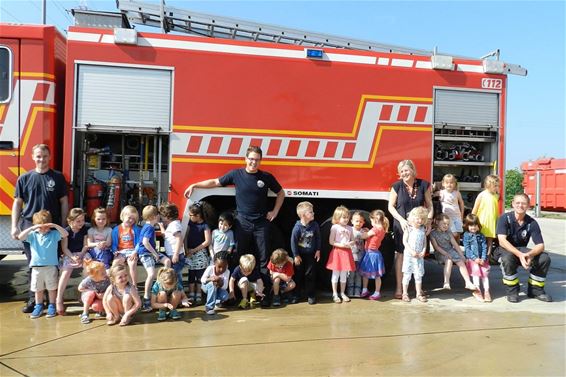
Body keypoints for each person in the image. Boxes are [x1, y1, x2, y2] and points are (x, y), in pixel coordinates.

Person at [184, 146, 285, 275]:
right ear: (246, 159)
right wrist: (195, 185)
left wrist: (275, 211)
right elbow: (215, 182)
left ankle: (263, 290)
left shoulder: (266, 177)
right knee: (237, 255)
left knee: (263, 257)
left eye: (257, 160)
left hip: (261, 223)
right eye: (251, 159)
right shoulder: (236, 174)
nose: (254, 162)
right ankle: (235, 290)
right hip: (242, 222)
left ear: (260, 161)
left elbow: (281, 193)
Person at [11, 143, 69, 313]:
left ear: (49, 157)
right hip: (30, 226)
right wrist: (14, 226)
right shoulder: (24, 178)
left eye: (44, 156)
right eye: (38, 156)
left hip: (52, 227)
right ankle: (34, 301)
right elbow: (18, 203)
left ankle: (54, 300)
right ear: (32, 157)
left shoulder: (58, 177)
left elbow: (64, 202)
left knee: (53, 265)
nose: (41, 159)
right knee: (33, 264)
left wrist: (63, 225)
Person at [494, 193, 552, 303]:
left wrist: (530, 254)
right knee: (507, 259)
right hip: (504, 250)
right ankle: (512, 291)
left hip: (522, 250)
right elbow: (502, 241)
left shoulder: (532, 222)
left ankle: (536, 290)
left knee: (544, 258)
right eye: (518, 203)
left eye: (524, 203)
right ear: (512, 204)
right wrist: (520, 255)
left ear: (528, 206)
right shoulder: (504, 219)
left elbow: (540, 245)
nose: (520, 205)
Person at [388, 160, 433, 299]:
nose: (404, 173)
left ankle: (418, 290)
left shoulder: (423, 185)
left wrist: (429, 222)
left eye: (406, 170)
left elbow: (430, 205)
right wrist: (401, 220)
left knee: (418, 256)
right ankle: (399, 289)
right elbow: (390, 206)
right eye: (401, 171)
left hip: (419, 227)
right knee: (402, 255)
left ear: (413, 170)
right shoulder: (396, 186)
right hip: (403, 227)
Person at [17, 210, 69, 318]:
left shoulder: (54, 234)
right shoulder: (33, 235)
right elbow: (20, 237)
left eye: (46, 226)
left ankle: (52, 305)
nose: (44, 229)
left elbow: (65, 234)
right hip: (36, 267)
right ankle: (38, 306)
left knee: (51, 287)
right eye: (40, 227)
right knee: (38, 289)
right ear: (36, 226)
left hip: (51, 266)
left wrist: (54, 225)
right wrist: (32, 228)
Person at [430, 214, 478, 292]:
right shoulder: (433, 233)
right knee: (449, 261)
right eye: (444, 224)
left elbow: (455, 245)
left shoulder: (448, 232)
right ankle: (446, 282)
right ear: (437, 222)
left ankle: (468, 282)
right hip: (440, 252)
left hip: (450, 250)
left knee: (461, 262)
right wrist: (446, 254)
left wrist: (462, 255)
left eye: (448, 224)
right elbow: (436, 247)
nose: (446, 226)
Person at [56, 208, 89, 315]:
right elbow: (64, 248)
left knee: (88, 269)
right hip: (69, 254)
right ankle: (59, 298)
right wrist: (72, 257)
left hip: (82, 253)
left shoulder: (84, 229)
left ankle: (84, 294)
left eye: (83, 220)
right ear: (70, 221)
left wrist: (81, 254)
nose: (81, 223)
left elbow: (86, 245)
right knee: (65, 273)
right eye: (78, 221)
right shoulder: (66, 231)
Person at [136, 205, 168, 312]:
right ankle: (146, 298)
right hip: (146, 253)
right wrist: (155, 253)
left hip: (151, 252)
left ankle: (162, 285)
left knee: (167, 261)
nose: (159, 216)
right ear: (154, 216)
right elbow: (145, 242)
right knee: (151, 274)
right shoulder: (149, 227)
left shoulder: (148, 226)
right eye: (158, 214)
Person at [290, 201, 321, 305]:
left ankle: (311, 295)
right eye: (311, 212)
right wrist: (296, 255)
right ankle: (296, 295)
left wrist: (318, 250)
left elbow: (318, 238)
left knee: (310, 275)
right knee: (298, 275)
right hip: (300, 256)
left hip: (311, 254)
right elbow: (293, 242)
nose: (313, 214)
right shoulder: (297, 228)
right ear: (303, 215)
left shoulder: (315, 225)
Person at [326, 205, 355, 304]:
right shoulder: (335, 227)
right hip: (337, 252)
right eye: (344, 217)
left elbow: (352, 240)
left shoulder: (350, 228)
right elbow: (331, 241)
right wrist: (342, 245)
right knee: (335, 274)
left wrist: (351, 243)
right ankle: (335, 293)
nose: (346, 219)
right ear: (337, 218)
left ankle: (342, 293)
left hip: (346, 253)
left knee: (344, 274)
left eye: (347, 217)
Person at [185, 202, 211, 304]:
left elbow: (207, 241)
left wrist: (194, 250)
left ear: (198, 215)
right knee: (191, 273)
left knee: (200, 274)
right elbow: (185, 236)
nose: (189, 217)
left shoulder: (205, 225)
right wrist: (186, 249)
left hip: (200, 253)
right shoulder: (189, 224)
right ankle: (191, 293)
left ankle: (199, 293)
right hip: (190, 252)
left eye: (191, 215)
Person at [358, 210, 388, 301]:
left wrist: (359, 232)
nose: (371, 222)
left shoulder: (375, 229)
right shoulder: (382, 228)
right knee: (376, 275)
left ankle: (366, 290)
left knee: (365, 273)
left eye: (371, 221)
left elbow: (364, 236)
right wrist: (368, 231)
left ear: (375, 220)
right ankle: (376, 291)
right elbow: (371, 235)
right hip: (375, 253)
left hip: (371, 254)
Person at [401, 207, 428, 303]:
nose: (419, 221)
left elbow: (425, 242)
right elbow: (404, 241)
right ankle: (404, 293)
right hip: (409, 255)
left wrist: (423, 251)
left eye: (422, 219)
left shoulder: (422, 229)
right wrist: (411, 251)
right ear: (412, 218)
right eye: (417, 218)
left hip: (419, 256)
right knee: (407, 274)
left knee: (418, 275)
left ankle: (418, 293)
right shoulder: (409, 229)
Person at [462, 214, 491, 302]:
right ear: (467, 226)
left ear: (478, 225)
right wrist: (475, 258)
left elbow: (484, 247)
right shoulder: (466, 235)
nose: (473, 227)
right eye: (471, 225)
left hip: (482, 259)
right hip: (472, 259)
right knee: (476, 275)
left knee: (485, 275)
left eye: (475, 225)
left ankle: (486, 291)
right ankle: (477, 290)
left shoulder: (481, 235)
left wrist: (483, 258)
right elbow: (467, 249)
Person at [111, 205, 142, 285]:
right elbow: (114, 243)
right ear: (123, 216)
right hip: (121, 251)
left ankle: (134, 284)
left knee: (132, 264)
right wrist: (114, 251)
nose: (131, 220)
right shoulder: (117, 229)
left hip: (132, 251)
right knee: (116, 263)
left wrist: (135, 252)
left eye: (133, 219)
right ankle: (115, 283)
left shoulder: (136, 229)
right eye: (129, 218)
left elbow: (139, 242)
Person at [472, 174, 500, 258]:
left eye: (497, 186)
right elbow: (475, 209)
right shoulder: (481, 195)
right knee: (480, 239)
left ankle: (488, 256)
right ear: (488, 185)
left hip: (492, 221)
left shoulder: (496, 196)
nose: (497, 188)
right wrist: (472, 221)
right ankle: (479, 255)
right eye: (495, 186)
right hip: (482, 221)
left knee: (490, 239)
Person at [158, 202, 186, 284]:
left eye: (162, 216)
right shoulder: (172, 225)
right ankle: (178, 292)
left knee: (174, 276)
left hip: (176, 255)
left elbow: (179, 239)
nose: (161, 218)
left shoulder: (174, 225)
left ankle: (179, 292)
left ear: (168, 217)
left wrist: (176, 254)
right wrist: (162, 227)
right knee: (175, 275)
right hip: (172, 254)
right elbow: (166, 236)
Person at [77, 260, 111, 324]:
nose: (105, 274)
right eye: (102, 273)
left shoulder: (107, 278)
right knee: (90, 294)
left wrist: (104, 294)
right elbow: (80, 288)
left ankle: (101, 311)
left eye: (104, 272)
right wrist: (94, 291)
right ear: (94, 276)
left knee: (96, 306)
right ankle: (85, 313)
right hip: (89, 296)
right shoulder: (89, 280)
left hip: (101, 297)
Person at [201, 251, 231, 315]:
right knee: (212, 285)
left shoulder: (227, 272)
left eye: (224, 267)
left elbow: (225, 287)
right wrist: (210, 279)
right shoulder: (210, 268)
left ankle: (216, 301)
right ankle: (209, 307)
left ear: (227, 265)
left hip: (218, 289)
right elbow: (202, 279)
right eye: (219, 267)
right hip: (206, 286)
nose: (221, 269)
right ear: (214, 263)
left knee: (225, 296)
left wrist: (220, 281)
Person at [439, 174, 465, 243]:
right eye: (447, 183)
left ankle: (457, 248)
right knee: (453, 233)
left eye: (451, 183)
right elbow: (432, 194)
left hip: (457, 216)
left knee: (458, 232)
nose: (449, 185)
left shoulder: (457, 193)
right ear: (443, 184)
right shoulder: (442, 193)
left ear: (454, 184)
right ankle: (451, 246)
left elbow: (461, 203)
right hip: (448, 218)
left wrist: (462, 215)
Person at [347, 211, 366, 298]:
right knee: (351, 274)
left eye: (361, 221)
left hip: (361, 257)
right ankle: (350, 291)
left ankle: (358, 291)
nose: (358, 223)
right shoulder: (349, 230)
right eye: (356, 221)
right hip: (351, 257)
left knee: (359, 274)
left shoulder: (364, 231)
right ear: (352, 221)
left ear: (363, 222)